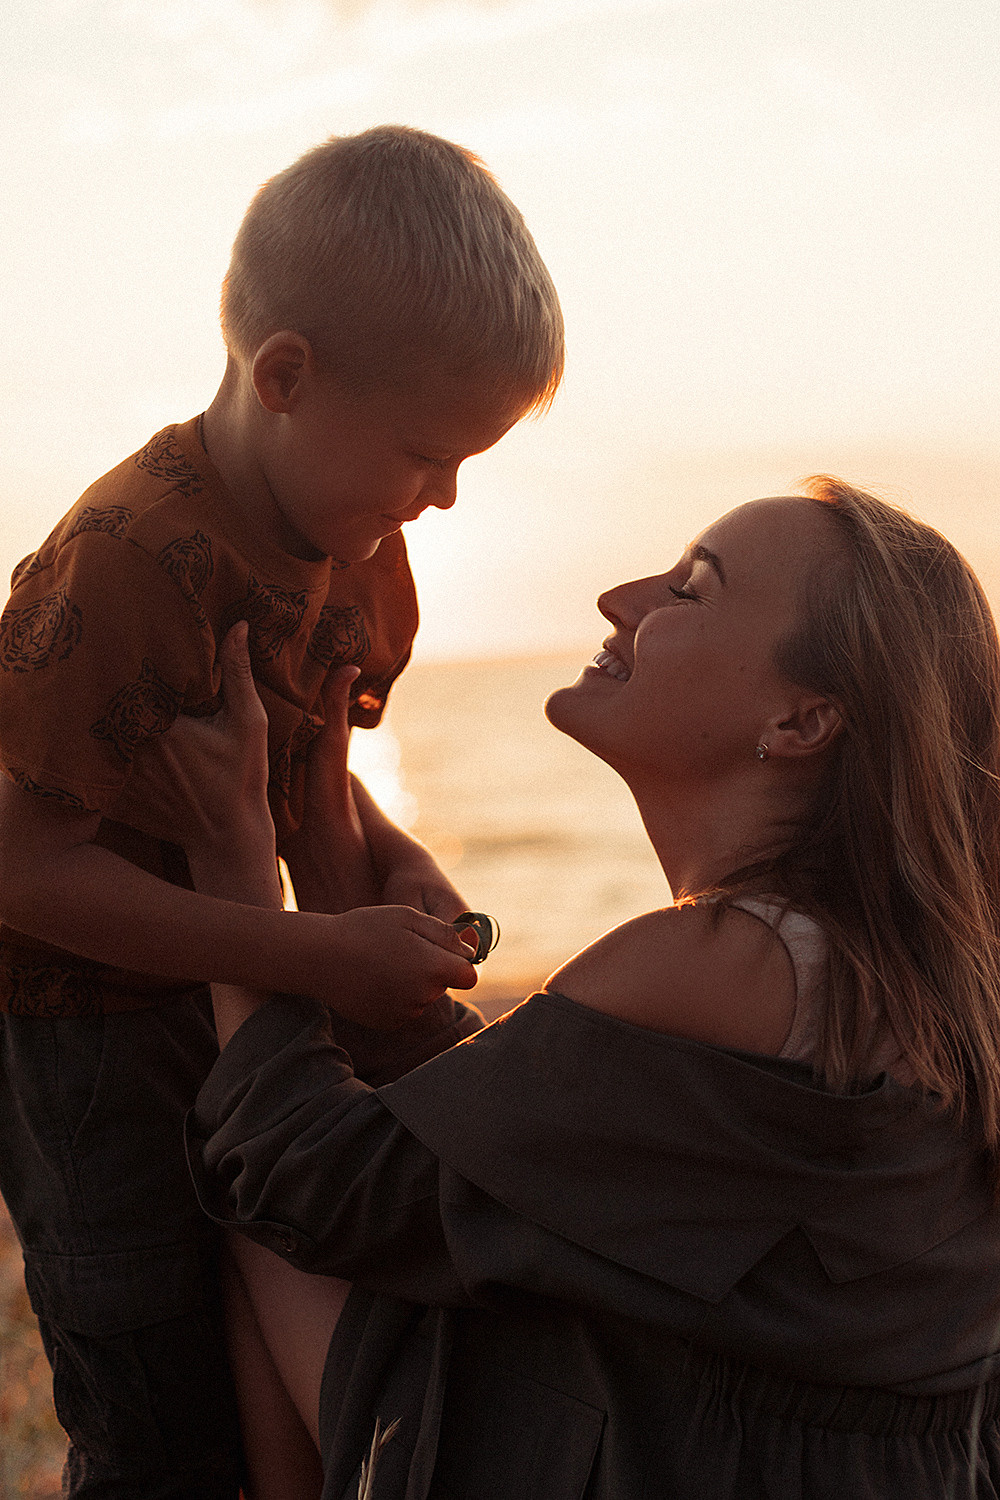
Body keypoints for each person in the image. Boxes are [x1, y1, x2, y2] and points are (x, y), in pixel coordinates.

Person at [169, 477, 1000, 1498]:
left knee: (255, 1222)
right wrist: (333, 846)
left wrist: (234, 867)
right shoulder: (877, 963)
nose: (619, 599)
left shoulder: (726, 959)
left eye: (690, 589)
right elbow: (526, 1162)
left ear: (800, 720)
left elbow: (310, 1178)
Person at [0, 125, 563, 1497]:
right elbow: (20, 864)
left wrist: (391, 861)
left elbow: (302, 767)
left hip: (252, 996)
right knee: (159, 1393)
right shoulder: (132, 562)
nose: (444, 498)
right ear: (287, 376)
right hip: (89, 1032)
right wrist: (312, 952)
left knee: (309, 1336)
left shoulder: (363, 549)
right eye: (426, 453)